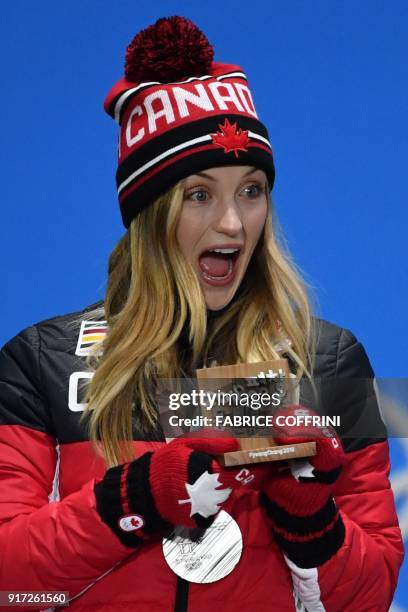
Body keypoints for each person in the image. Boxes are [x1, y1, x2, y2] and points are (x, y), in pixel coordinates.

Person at [0, 15, 403, 612]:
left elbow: (369, 599)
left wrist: (312, 523)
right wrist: (132, 500)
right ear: (149, 214)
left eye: (251, 189)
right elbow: (11, 585)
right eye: (199, 194)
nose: (234, 224)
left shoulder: (331, 361)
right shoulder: (40, 361)